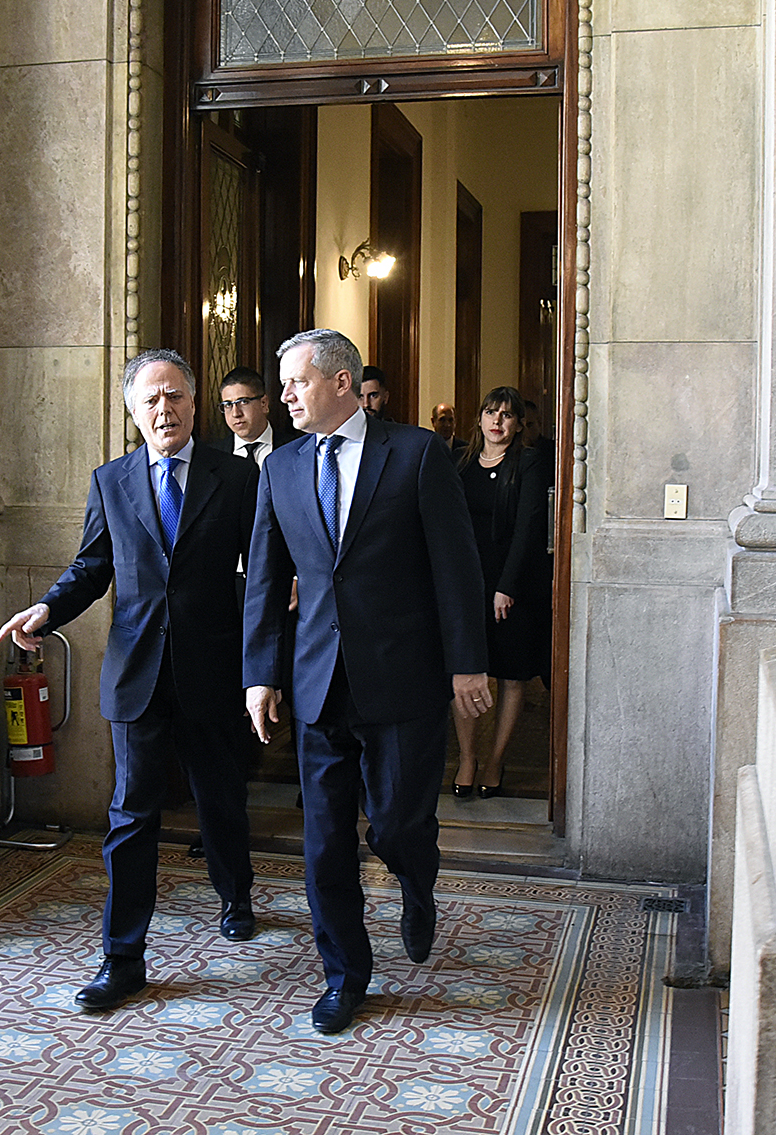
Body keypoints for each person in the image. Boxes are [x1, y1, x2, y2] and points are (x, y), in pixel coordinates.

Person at [0, 349, 259, 1013]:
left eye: (174, 396)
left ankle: (236, 893)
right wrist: (48, 608)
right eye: (150, 400)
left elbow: (263, 568)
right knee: (130, 814)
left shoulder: (236, 477)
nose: (163, 409)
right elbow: (92, 566)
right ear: (132, 410)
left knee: (219, 797)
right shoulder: (111, 481)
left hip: (213, 667)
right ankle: (123, 959)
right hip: (137, 671)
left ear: (195, 404)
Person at [244, 329, 492, 1034]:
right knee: (323, 841)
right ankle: (344, 975)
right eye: (281, 385)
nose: (283, 396)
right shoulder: (281, 469)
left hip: (403, 680)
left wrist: (466, 662)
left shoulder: (414, 454)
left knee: (395, 824)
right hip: (318, 683)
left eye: (295, 382)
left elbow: (456, 565)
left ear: (343, 383)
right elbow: (264, 580)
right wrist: (260, 674)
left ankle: (417, 880)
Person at [450, 386, 551, 800]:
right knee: (465, 673)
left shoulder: (528, 462)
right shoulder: (461, 463)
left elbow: (528, 529)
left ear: (517, 423)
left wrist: (505, 587)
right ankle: (468, 757)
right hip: (468, 584)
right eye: (490, 412)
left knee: (510, 676)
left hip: (513, 585)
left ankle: (495, 760)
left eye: (506, 415)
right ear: (479, 419)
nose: (497, 421)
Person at [214, 365, 297, 468]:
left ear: (264, 403)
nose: (236, 413)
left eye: (243, 402)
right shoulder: (214, 455)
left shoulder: (296, 448)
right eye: (228, 405)